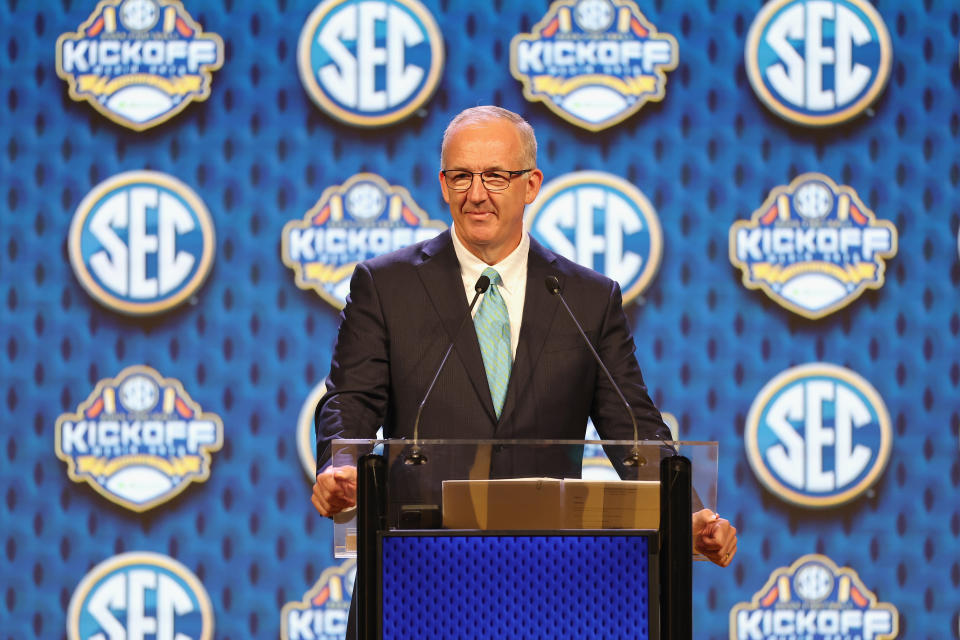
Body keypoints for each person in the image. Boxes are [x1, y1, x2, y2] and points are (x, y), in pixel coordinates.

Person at [311, 106, 737, 570]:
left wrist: (686, 512)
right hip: (417, 569)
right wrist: (342, 464)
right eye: (460, 177)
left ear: (531, 184)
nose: (476, 195)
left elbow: (633, 428)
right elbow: (350, 402)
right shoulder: (386, 285)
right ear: (442, 184)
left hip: (544, 575)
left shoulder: (586, 299)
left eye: (495, 176)